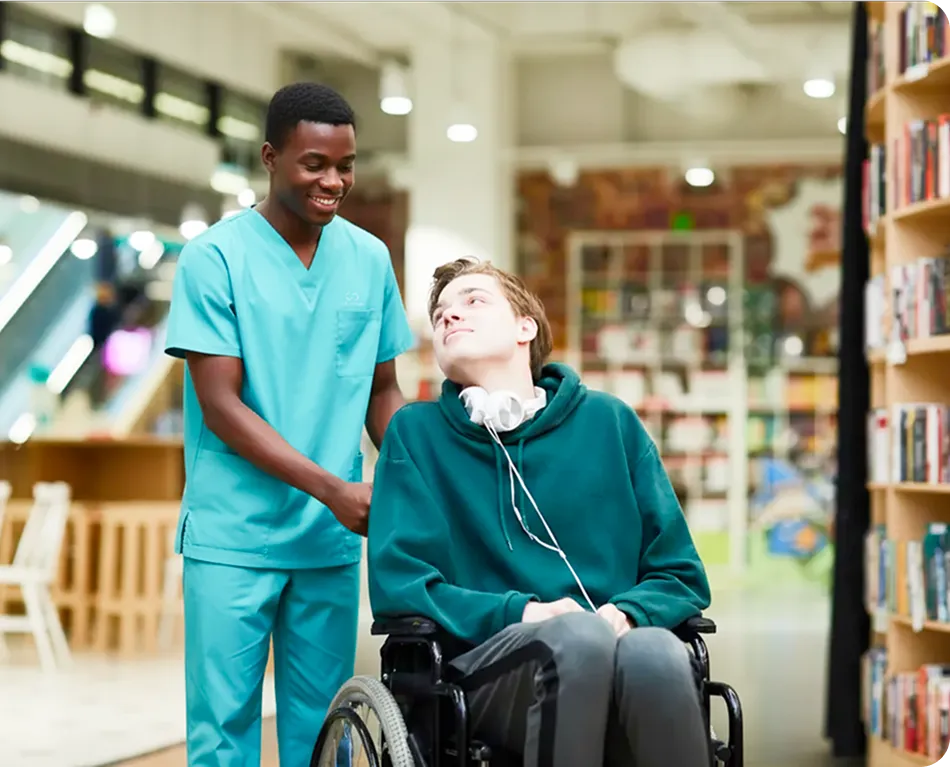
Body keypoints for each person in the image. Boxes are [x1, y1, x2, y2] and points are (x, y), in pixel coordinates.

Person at [367, 257, 711, 767]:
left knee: (657, 652)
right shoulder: (416, 435)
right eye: (440, 313)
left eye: (473, 301)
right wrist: (525, 613)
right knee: (577, 639)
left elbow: (680, 575)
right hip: (485, 676)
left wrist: (625, 614)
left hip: (615, 651)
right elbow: (401, 582)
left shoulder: (608, 422)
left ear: (525, 326)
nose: (449, 317)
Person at [164, 82, 414, 767]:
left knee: (324, 730)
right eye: (314, 164)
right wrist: (334, 488)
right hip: (234, 535)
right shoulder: (214, 258)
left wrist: (425, 472)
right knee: (224, 730)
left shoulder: (367, 258)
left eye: (345, 165)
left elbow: (383, 389)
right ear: (271, 159)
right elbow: (222, 404)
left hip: (328, 543)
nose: (333, 181)